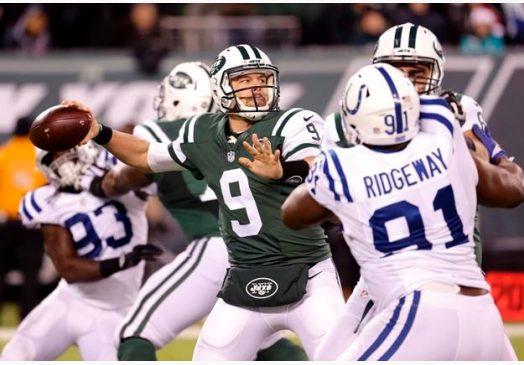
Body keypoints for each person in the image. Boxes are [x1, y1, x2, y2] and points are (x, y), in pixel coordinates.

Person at [68, 44, 345, 360]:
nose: (256, 88)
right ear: (221, 87)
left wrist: (283, 170)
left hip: (308, 274)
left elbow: (319, 168)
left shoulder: (294, 122)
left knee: (339, 358)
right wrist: (100, 131)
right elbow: (145, 155)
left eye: (262, 78)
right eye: (244, 80)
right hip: (243, 279)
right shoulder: (202, 132)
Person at [316, 22, 524, 360]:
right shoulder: (344, 125)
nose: (405, 80)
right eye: (395, 71)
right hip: (388, 284)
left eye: (417, 71)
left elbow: (510, 187)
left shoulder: (457, 112)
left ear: (437, 71)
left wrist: (467, 152)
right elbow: (330, 214)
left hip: (452, 278)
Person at [0, 143, 162, 361]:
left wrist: (105, 139)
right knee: (13, 357)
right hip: (67, 301)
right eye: (53, 158)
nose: (63, 164)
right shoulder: (47, 200)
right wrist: (121, 261)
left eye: (66, 153)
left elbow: (140, 172)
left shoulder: (118, 179)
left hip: (111, 313)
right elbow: (69, 268)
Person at [0, 116, 47, 321]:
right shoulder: (39, 156)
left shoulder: (4, 154)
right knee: (31, 274)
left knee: (0, 272)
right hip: (32, 222)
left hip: (6, 222)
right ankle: (26, 315)